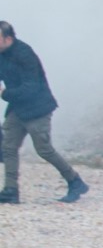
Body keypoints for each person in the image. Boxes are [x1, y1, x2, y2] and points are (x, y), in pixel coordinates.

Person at [0, 22, 88, 204]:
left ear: (8, 38)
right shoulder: (2, 55)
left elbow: (31, 87)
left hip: (37, 109)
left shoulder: (25, 54)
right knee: (8, 148)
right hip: (17, 109)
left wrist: (5, 93)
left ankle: (75, 181)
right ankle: (10, 190)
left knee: (44, 150)